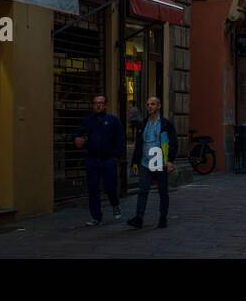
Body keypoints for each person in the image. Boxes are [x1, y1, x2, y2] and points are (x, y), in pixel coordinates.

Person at [72, 93, 125, 225]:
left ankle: (115, 204)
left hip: (108, 160)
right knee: (93, 189)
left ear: (105, 105)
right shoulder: (87, 121)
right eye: (96, 103)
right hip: (92, 160)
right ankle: (96, 217)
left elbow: (120, 139)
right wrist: (77, 138)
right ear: (93, 105)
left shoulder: (113, 120)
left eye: (101, 103)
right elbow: (77, 133)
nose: (98, 105)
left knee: (110, 187)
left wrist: (116, 156)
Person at [127, 96, 178, 229]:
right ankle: (138, 218)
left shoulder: (166, 124)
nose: (150, 106)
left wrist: (170, 161)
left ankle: (163, 218)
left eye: (153, 104)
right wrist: (135, 163)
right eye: (148, 104)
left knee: (162, 191)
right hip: (145, 163)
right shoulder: (143, 124)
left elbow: (173, 143)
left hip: (160, 163)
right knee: (142, 190)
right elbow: (139, 145)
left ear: (159, 106)